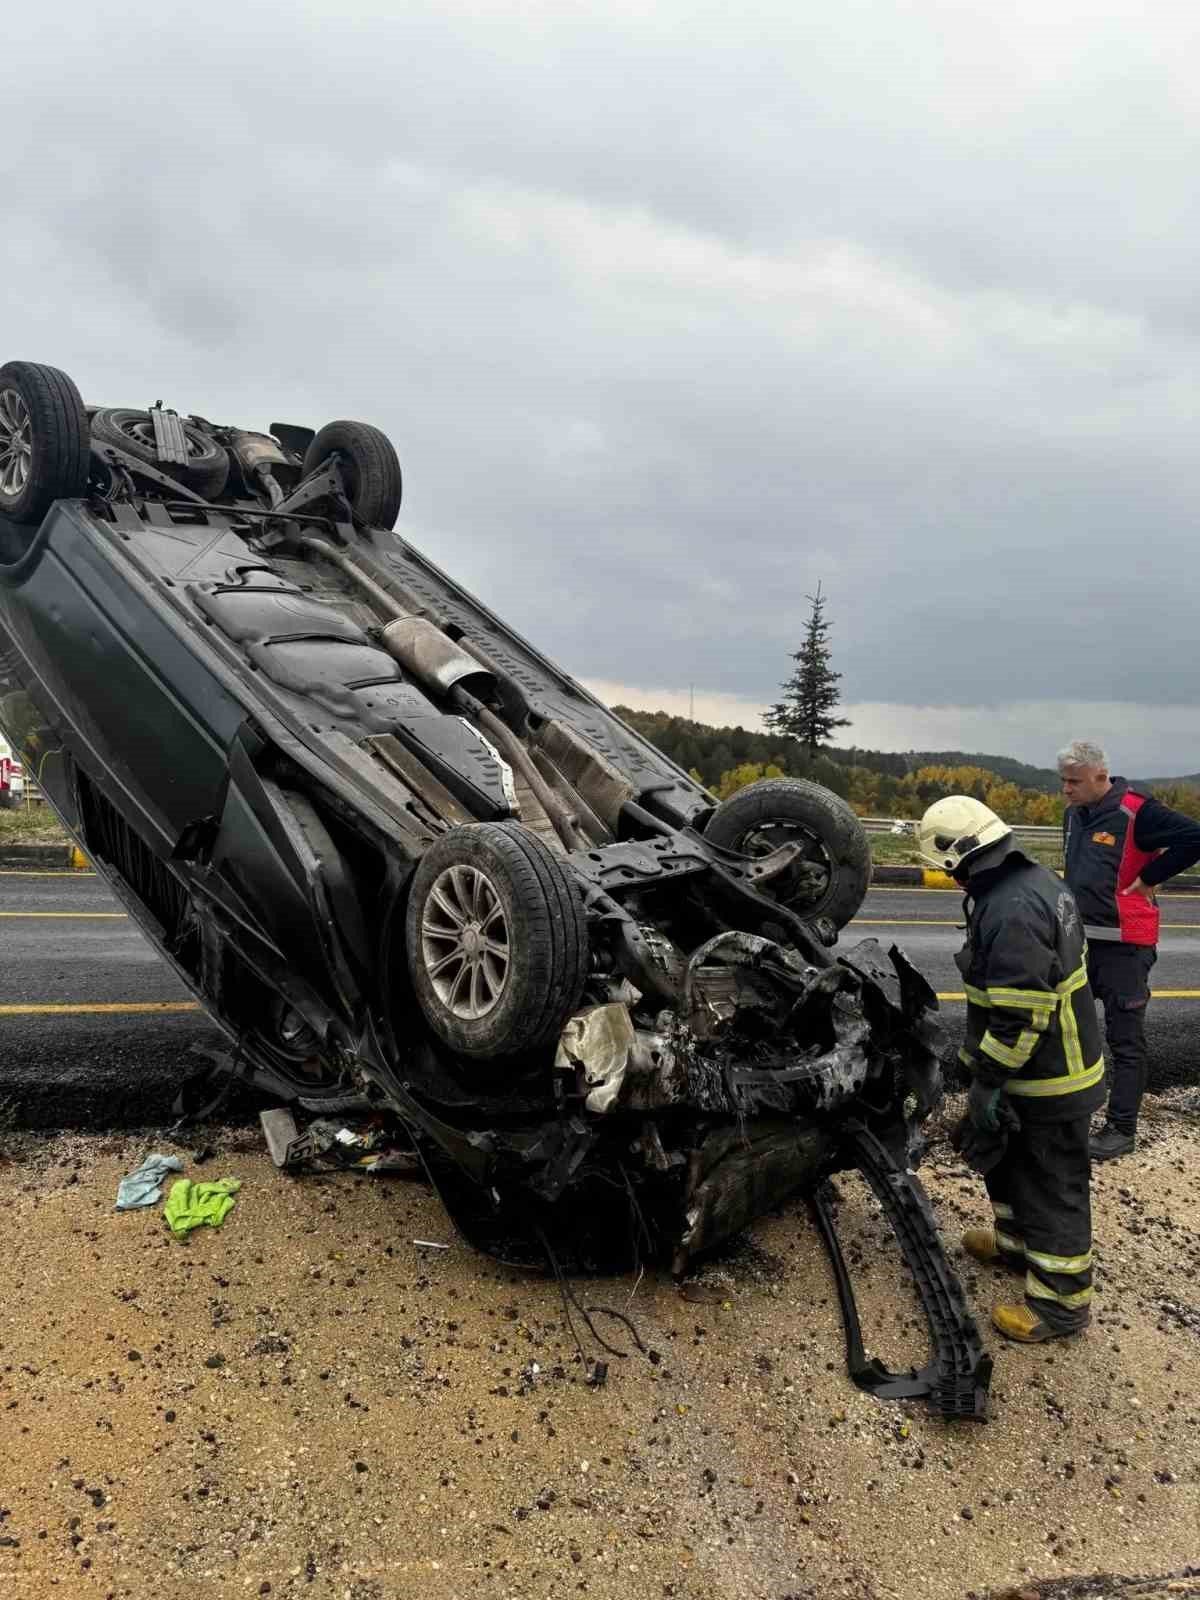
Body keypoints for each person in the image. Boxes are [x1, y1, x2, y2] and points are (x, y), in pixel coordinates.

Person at [918, 795, 1103, 1343]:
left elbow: (1020, 1015)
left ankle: (1059, 1306)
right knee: (1008, 1161)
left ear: (960, 854)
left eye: (944, 866)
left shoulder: (1013, 907)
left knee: (1051, 1183)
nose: (946, 878)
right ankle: (1015, 1245)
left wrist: (988, 1081)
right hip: (1035, 1068)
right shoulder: (1024, 882)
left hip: (1049, 1075)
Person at [1057, 740, 1200, 1161]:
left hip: (1125, 948)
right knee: (1075, 1034)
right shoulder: (1074, 814)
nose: (1066, 789)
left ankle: (1121, 1129)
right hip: (1081, 941)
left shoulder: (1138, 811)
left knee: (1125, 1040)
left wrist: (1151, 877)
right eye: (1063, 781)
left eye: (1074, 782)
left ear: (1101, 777)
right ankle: (1075, 1113)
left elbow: (1195, 837)